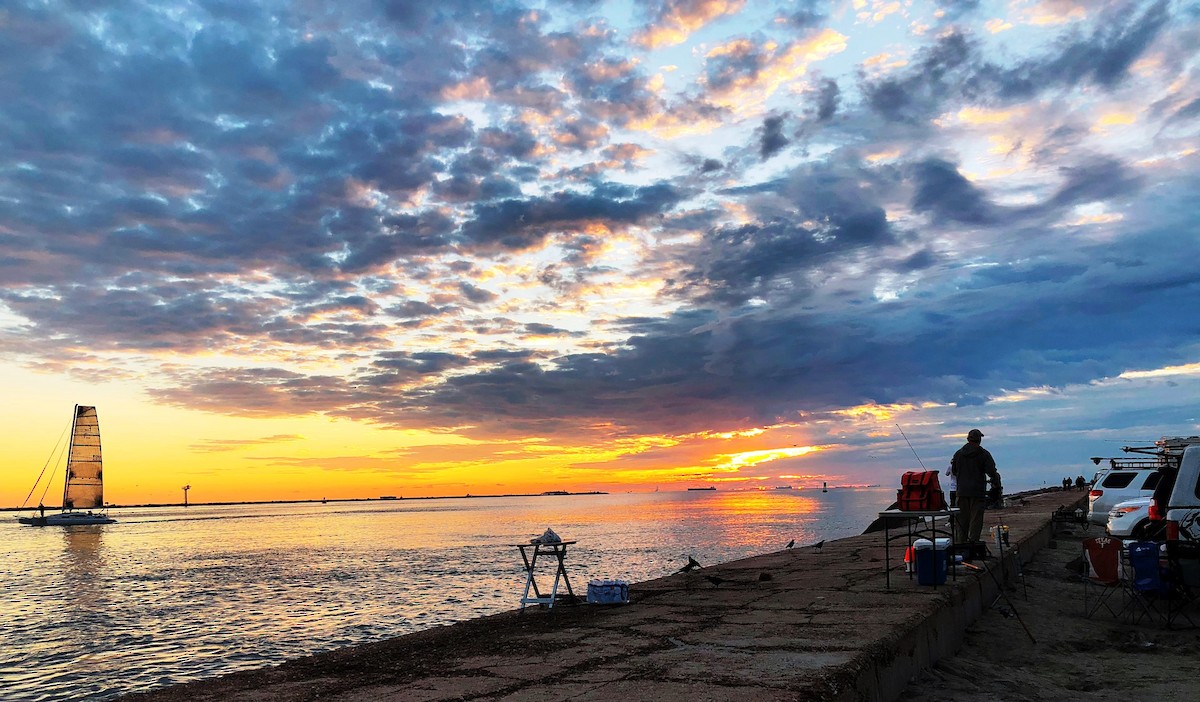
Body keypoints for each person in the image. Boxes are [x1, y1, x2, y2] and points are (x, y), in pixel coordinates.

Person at [950, 428, 1001, 547]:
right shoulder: (983, 454)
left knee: (961, 520)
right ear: (979, 440)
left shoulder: (958, 454)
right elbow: (992, 472)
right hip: (977, 492)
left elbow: (954, 471)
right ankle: (973, 545)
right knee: (976, 519)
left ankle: (961, 545)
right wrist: (995, 484)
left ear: (968, 439)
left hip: (961, 491)